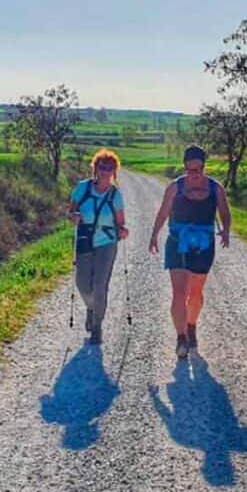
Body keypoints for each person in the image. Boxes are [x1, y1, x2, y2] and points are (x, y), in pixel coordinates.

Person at [148, 145, 231, 359]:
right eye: (189, 169)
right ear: (184, 167)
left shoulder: (215, 188)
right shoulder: (175, 187)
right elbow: (164, 211)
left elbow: (224, 211)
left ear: (204, 166)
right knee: (179, 292)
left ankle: (191, 325)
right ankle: (181, 337)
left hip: (203, 245)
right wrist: (154, 235)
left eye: (198, 169)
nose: (193, 175)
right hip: (177, 242)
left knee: (195, 292)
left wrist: (225, 230)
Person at [68, 149, 128, 345]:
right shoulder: (82, 188)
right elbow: (71, 212)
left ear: (114, 172)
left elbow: (121, 223)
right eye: (102, 167)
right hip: (85, 240)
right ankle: (91, 308)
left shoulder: (115, 195)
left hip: (107, 243)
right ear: (95, 168)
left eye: (110, 168)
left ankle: (97, 327)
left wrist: (123, 231)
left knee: (100, 285)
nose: (105, 171)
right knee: (83, 285)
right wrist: (74, 217)